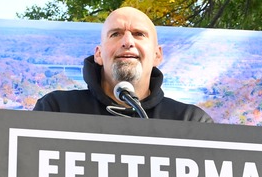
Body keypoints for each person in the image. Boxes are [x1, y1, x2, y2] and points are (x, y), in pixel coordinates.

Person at [33, 7, 214, 123]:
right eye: (115, 34)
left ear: (157, 55)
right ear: (98, 54)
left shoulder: (191, 122)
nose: (127, 42)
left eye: (139, 34)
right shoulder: (57, 110)